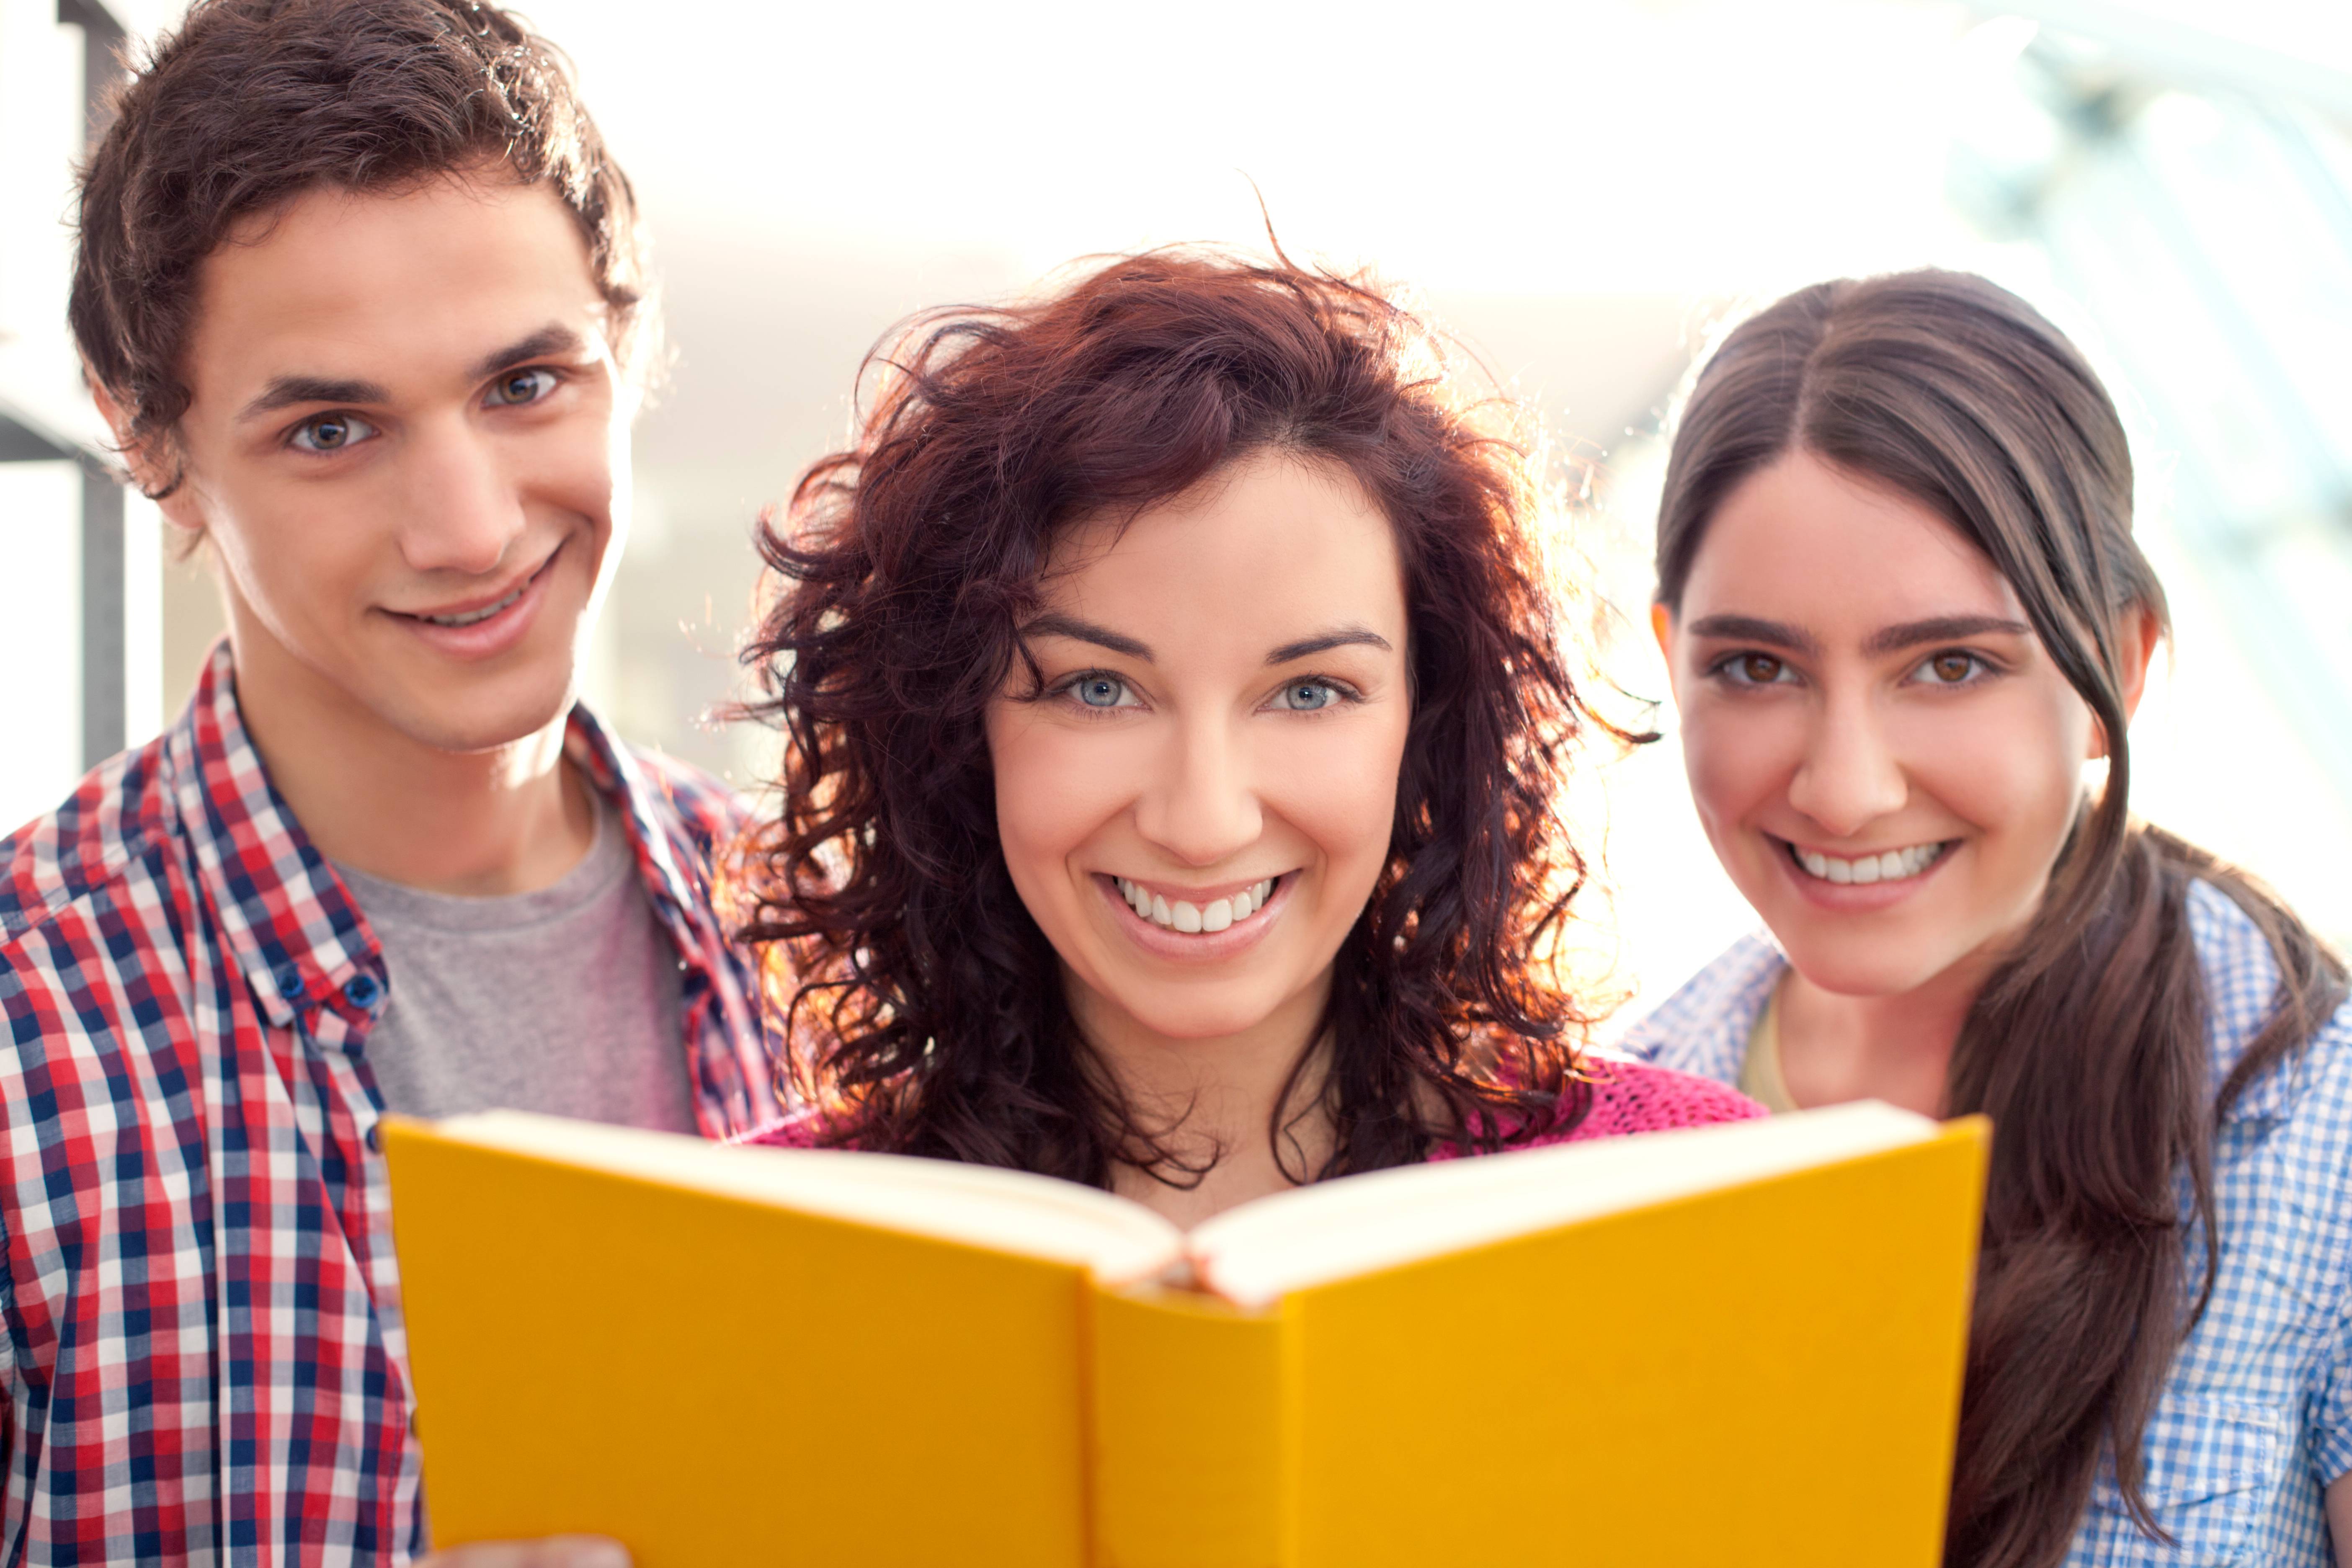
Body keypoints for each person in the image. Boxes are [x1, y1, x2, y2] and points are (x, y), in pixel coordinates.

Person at [0, 0, 780, 1559]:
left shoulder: (823, 938)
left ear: (625, 349)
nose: (470, 529)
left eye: (524, 386)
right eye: (333, 427)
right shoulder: (24, 1027)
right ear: (145, 436)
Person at [731, 248, 1759, 1216]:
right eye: (1097, 688)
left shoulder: (1689, 1196)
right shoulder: (754, 1240)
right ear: (957, 726)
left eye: (1310, 692)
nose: (1203, 822)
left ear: (1430, 722)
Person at [1627, 269, 2352, 1568]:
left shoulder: (2318, 1123)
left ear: (2113, 670)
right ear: (1672, 656)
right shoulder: (1604, 1131)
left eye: (1949, 665)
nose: (1846, 787)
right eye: (1755, 668)